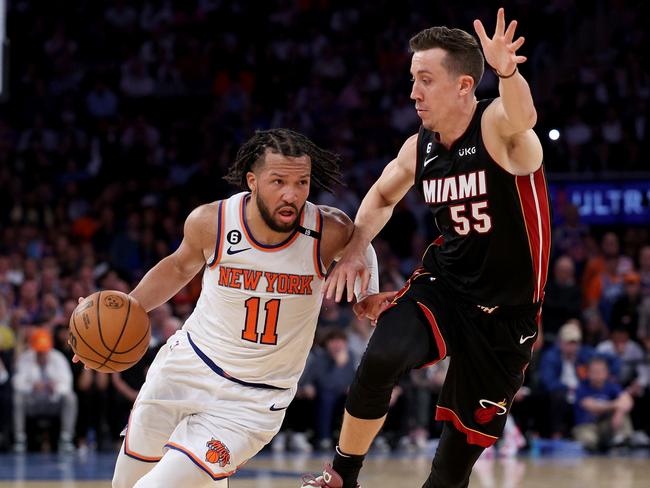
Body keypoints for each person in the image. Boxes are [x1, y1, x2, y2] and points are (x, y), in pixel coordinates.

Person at [302, 8, 550, 488]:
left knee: (449, 470)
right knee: (381, 356)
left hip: (508, 314)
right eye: (412, 79)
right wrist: (355, 247)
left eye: (425, 79)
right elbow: (381, 194)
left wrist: (507, 72)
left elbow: (523, 116)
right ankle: (342, 475)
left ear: (462, 86)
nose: (413, 92)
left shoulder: (498, 128)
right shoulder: (421, 147)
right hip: (446, 286)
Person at [75, 128, 379, 487]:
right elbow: (177, 267)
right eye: (278, 181)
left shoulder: (327, 231)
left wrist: (366, 295)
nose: (291, 194)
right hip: (186, 366)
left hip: (253, 398)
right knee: (125, 484)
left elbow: (363, 247)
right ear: (252, 180)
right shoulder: (212, 221)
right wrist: (118, 317)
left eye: (302, 183)